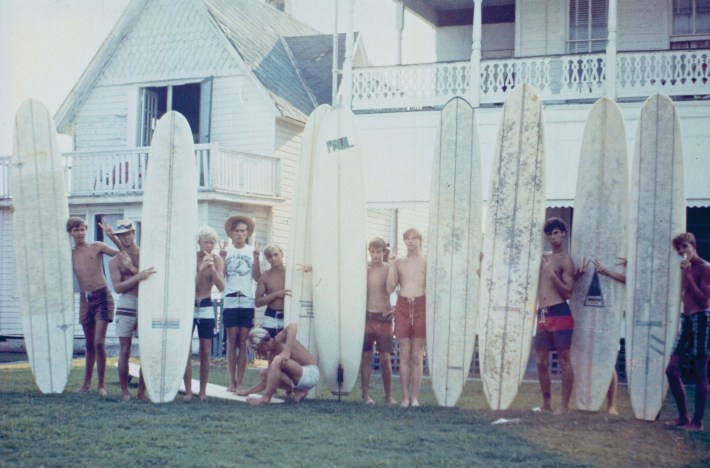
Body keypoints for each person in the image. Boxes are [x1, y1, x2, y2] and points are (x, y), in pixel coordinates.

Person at [67, 217, 120, 396]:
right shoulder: (70, 253)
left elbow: (120, 252)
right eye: (76, 230)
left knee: (99, 343)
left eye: (82, 229)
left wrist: (112, 236)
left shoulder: (97, 246)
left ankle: (101, 385)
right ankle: (86, 385)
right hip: (84, 299)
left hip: (102, 296)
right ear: (70, 233)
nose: (80, 233)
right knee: (89, 344)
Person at [664, 233, 710, 432]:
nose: (682, 252)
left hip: (701, 318)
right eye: (679, 249)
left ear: (693, 245)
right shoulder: (683, 267)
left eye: (685, 247)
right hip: (686, 320)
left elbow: (704, 300)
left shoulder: (705, 268)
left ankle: (697, 422)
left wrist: (689, 275)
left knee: (700, 371)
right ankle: (683, 417)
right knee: (671, 369)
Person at [107, 219, 155, 401]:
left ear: (134, 234)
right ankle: (125, 392)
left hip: (146, 303)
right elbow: (118, 287)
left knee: (147, 350)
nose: (126, 238)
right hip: (126, 303)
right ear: (118, 237)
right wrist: (138, 275)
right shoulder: (114, 261)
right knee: (125, 349)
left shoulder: (146, 254)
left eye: (128, 233)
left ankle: (141, 391)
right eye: (122, 235)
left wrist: (133, 270)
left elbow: (151, 279)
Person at [535, 217, 575, 414]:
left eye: (556, 232)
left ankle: (564, 405)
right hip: (542, 313)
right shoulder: (542, 257)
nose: (553, 237)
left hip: (559, 311)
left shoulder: (566, 260)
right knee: (540, 360)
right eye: (550, 234)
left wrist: (552, 276)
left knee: (563, 359)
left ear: (563, 234)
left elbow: (569, 292)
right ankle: (546, 403)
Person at [183, 226, 225, 401]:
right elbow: (190, 284)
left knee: (205, 351)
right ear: (199, 242)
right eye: (206, 242)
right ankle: (188, 391)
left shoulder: (217, 259)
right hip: (189, 305)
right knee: (186, 350)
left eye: (212, 242)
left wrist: (213, 270)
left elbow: (221, 287)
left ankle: (202, 391)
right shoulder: (191, 257)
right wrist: (201, 269)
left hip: (207, 305)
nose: (209, 245)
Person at [220, 215, 261, 393]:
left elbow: (258, 278)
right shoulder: (225, 251)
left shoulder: (252, 251)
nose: (239, 234)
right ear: (231, 233)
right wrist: (221, 259)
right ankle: (231, 381)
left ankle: (240, 382)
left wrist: (257, 259)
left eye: (243, 231)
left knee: (243, 341)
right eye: (236, 231)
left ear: (247, 233)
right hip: (230, 297)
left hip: (246, 299)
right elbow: (221, 278)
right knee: (231, 340)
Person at [387, 228, 426, 408]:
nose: (410, 241)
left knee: (417, 355)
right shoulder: (400, 262)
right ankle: (404, 397)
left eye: (413, 238)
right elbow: (390, 287)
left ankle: (415, 397)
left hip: (421, 304)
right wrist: (392, 266)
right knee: (404, 353)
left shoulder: (427, 261)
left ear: (420, 240)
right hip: (403, 304)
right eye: (407, 239)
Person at [238, 324, 319, 406]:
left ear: (263, 344)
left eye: (257, 350)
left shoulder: (278, 339)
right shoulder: (271, 355)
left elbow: (293, 326)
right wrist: (247, 392)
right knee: (265, 373)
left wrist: (287, 351)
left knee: (277, 360)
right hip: (301, 378)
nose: (258, 354)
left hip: (311, 373)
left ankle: (265, 399)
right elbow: (265, 382)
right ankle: (298, 392)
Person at [590, 256, 628, 416]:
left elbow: (629, 280)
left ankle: (611, 405)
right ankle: (592, 400)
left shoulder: (624, 261)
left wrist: (607, 272)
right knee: (591, 363)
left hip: (610, 318)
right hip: (591, 316)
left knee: (608, 363)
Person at [361, 237, 396, 404]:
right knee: (366, 358)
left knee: (385, 359)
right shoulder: (364, 269)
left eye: (378, 251)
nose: (375, 255)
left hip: (384, 318)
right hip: (367, 317)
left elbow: (405, 288)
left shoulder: (390, 268)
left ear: (384, 252)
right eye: (372, 252)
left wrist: (397, 309)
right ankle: (365, 395)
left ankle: (388, 396)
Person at [255, 244, 289, 338]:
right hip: (271, 318)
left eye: (276, 254)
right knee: (269, 350)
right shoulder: (265, 276)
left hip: (289, 316)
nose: (273, 258)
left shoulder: (291, 273)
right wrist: (276, 294)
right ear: (267, 259)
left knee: (287, 349)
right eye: (270, 256)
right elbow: (257, 302)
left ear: (282, 254)